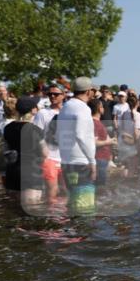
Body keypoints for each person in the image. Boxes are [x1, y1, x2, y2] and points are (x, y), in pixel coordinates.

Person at [55, 77, 98, 215]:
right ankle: (82, 235)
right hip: (81, 163)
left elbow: (57, 134)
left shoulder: (66, 107)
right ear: (88, 91)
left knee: (73, 203)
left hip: (67, 162)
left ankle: (72, 234)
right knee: (85, 207)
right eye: (93, 90)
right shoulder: (82, 108)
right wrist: (92, 160)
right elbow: (80, 135)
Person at [1, 95, 44, 207]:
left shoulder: (8, 128)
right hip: (31, 172)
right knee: (31, 210)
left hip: (12, 172)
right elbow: (45, 153)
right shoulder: (35, 130)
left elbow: (4, 149)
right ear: (33, 110)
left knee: (13, 211)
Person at [32, 84, 64, 204]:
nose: (52, 96)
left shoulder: (69, 112)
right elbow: (35, 134)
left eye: (56, 94)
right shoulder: (43, 113)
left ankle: (64, 219)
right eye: (50, 94)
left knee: (67, 190)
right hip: (50, 158)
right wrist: (43, 153)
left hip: (67, 159)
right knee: (52, 191)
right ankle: (52, 219)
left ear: (63, 95)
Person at [89, 99, 115, 190]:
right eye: (102, 106)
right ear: (99, 109)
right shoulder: (95, 123)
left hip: (102, 159)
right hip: (99, 159)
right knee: (99, 188)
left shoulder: (97, 122)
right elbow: (93, 143)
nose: (103, 108)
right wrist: (109, 142)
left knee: (100, 187)